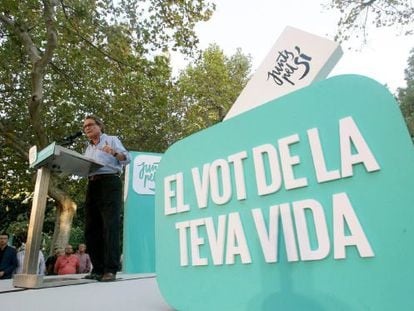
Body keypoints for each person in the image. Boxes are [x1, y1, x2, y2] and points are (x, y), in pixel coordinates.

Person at [82, 115, 130, 282]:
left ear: (99, 125)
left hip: (110, 182)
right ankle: (98, 269)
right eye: (85, 127)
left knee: (110, 226)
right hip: (92, 184)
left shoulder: (111, 139)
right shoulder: (88, 149)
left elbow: (127, 159)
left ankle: (110, 270)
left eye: (90, 125)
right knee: (91, 227)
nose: (87, 128)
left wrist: (114, 152)